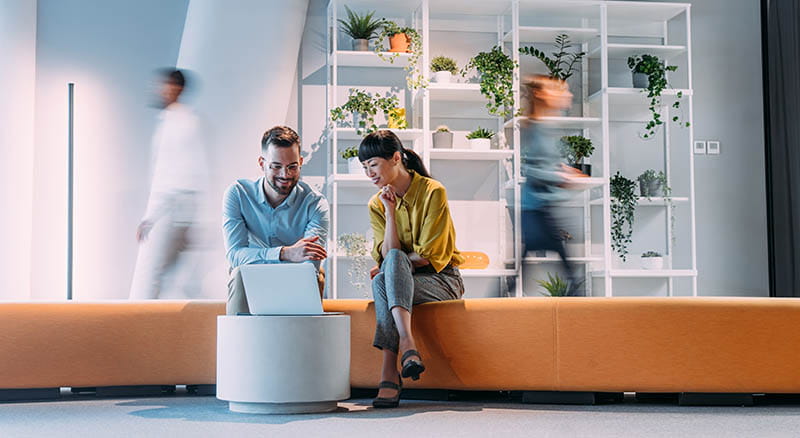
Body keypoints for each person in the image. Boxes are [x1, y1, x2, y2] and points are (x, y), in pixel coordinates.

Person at [359, 130, 465, 409]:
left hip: (442, 281)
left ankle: (389, 371)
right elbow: (388, 254)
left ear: (396, 158)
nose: (369, 173)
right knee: (388, 272)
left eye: (373, 164)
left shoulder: (433, 192)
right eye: (364, 167)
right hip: (405, 283)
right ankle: (408, 349)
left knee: (386, 275)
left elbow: (430, 256)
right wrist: (390, 212)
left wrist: (394, 266)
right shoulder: (376, 204)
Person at [223, 125, 329, 315]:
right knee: (239, 273)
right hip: (251, 276)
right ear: (262, 163)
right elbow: (235, 255)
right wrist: (284, 253)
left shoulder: (315, 203)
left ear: (301, 162)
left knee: (315, 278)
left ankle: (301, 342)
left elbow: (309, 265)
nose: (285, 175)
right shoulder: (238, 194)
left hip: (297, 278)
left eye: (292, 167)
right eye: (276, 166)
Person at [130, 69, 207, 299]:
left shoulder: (180, 123)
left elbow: (171, 173)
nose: (161, 90)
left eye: (165, 86)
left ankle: (145, 327)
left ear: (177, 88)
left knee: (156, 273)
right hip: (180, 207)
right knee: (181, 277)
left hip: (176, 207)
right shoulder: (179, 121)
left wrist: (150, 217)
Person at [520, 75, 585, 296]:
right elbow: (534, 168)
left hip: (537, 205)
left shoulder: (543, 126)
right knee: (563, 257)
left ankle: (577, 293)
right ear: (542, 95)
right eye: (561, 91)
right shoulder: (537, 128)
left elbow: (544, 162)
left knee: (544, 255)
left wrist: (563, 170)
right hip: (538, 206)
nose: (568, 96)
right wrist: (561, 177)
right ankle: (578, 296)